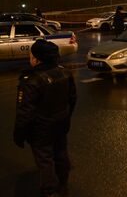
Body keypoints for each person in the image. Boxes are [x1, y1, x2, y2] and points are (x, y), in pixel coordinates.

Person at [14, 39, 77, 197]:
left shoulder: (31, 80)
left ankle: (50, 191)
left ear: (36, 59)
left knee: (45, 160)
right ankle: (63, 185)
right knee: (61, 153)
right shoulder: (65, 73)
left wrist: (19, 135)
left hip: (41, 129)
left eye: (31, 55)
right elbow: (72, 99)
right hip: (61, 124)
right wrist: (65, 117)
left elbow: (25, 113)